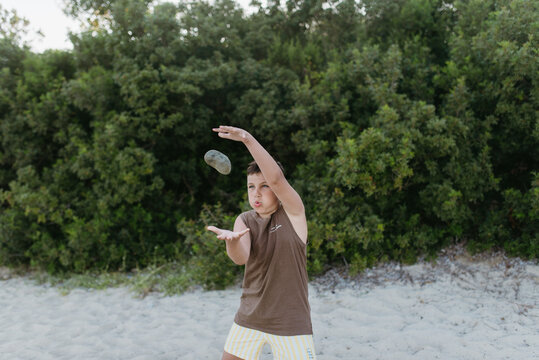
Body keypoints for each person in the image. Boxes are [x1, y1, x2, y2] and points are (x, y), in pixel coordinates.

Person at [207, 126, 316, 360]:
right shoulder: (244, 219)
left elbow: (277, 179)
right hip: (249, 318)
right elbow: (240, 257)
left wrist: (247, 139)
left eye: (264, 186)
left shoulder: (294, 214)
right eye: (251, 187)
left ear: (277, 190)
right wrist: (232, 242)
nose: (256, 193)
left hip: (290, 323)